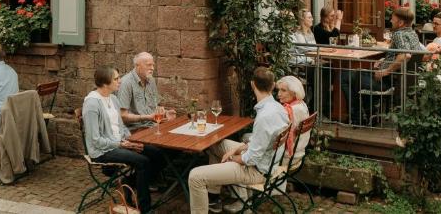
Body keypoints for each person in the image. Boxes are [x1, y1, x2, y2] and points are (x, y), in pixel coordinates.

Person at [188, 67, 290, 214]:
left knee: (195, 176)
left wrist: (232, 157)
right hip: (267, 161)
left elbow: (251, 159)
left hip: (257, 171)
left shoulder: (264, 116)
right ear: (273, 85)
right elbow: (259, 141)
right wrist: (236, 149)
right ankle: (213, 197)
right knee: (216, 144)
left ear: (252, 85)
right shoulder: (277, 108)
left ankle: (213, 195)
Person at [83, 66, 163, 212]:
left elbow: (121, 127)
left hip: (121, 143)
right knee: (143, 162)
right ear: (105, 83)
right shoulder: (92, 104)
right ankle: (145, 208)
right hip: (102, 150)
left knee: (156, 153)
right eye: (116, 78)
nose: (120, 81)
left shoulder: (113, 99)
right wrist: (121, 144)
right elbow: (95, 140)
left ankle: (128, 181)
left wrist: (131, 141)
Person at [339, 7, 425, 126]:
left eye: (393, 19)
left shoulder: (398, 34)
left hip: (387, 81)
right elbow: (407, 54)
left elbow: (405, 55)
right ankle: (368, 115)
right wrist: (384, 60)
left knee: (345, 76)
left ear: (400, 23)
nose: (390, 21)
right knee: (356, 76)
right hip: (402, 81)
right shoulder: (413, 33)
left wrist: (386, 71)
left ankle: (358, 118)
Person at [117, 52, 159, 129]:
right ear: (137, 66)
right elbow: (122, 116)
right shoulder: (126, 83)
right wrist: (147, 117)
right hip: (135, 129)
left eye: (153, 65)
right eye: (149, 65)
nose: (152, 68)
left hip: (152, 125)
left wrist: (165, 113)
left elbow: (155, 107)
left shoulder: (151, 80)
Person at [276, 75, 311, 165]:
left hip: (288, 157)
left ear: (294, 92)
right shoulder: (302, 104)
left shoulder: (291, 110)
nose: (279, 94)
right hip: (299, 152)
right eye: (279, 90)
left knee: (246, 138)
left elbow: (276, 137)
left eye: (283, 90)